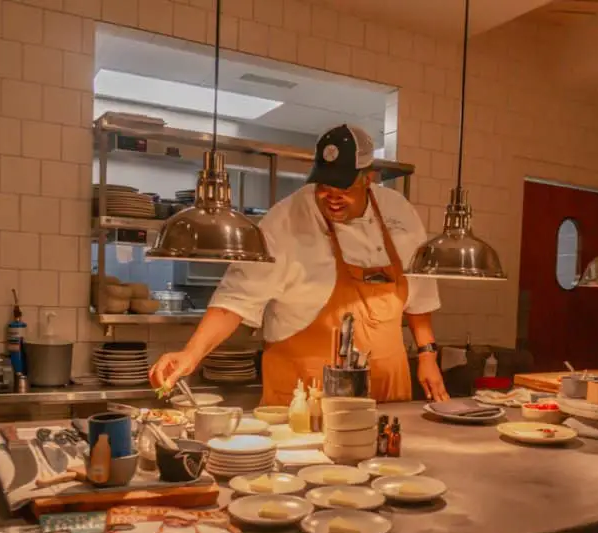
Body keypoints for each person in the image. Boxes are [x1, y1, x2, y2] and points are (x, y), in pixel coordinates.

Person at [150, 123, 449, 405]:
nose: (331, 198)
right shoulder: (285, 221)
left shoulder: (400, 215)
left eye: (343, 189)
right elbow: (236, 298)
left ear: (367, 178)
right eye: (324, 187)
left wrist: (426, 355)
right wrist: (191, 353)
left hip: (385, 381)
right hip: (306, 389)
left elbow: (419, 293)